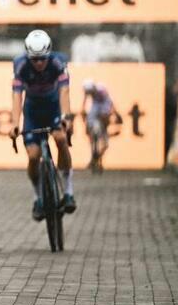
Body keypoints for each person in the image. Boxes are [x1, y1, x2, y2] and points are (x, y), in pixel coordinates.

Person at [11, 29, 76, 219]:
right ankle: (38, 198)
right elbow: (17, 95)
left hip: (53, 107)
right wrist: (15, 123)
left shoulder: (58, 62)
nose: (39, 63)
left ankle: (69, 192)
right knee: (33, 156)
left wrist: (66, 116)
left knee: (61, 139)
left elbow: (64, 92)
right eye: (35, 59)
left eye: (42, 59)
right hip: (33, 110)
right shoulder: (21, 65)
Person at [79, 80, 114, 172]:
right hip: (97, 111)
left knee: (105, 144)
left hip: (103, 111)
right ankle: (95, 155)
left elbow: (109, 104)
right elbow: (85, 101)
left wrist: (109, 114)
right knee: (93, 130)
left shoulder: (102, 91)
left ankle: (96, 158)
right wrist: (83, 111)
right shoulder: (93, 97)